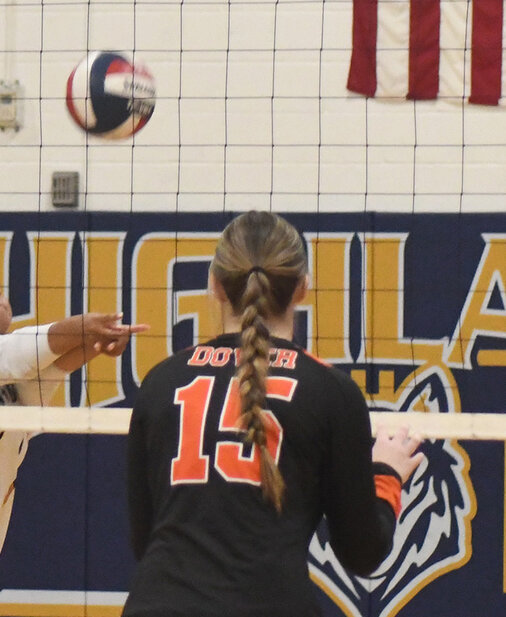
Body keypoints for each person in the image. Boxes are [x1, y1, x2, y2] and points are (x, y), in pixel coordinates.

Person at [123, 211, 424, 617]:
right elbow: (361, 553)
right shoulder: (331, 391)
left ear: (214, 285)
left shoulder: (161, 381)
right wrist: (386, 475)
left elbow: (146, 541)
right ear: (302, 288)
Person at [0, 263, 148, 617]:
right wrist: (83, 325)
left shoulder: (14, 381)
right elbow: (10, 354)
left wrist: (97, 340)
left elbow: (48, 366)